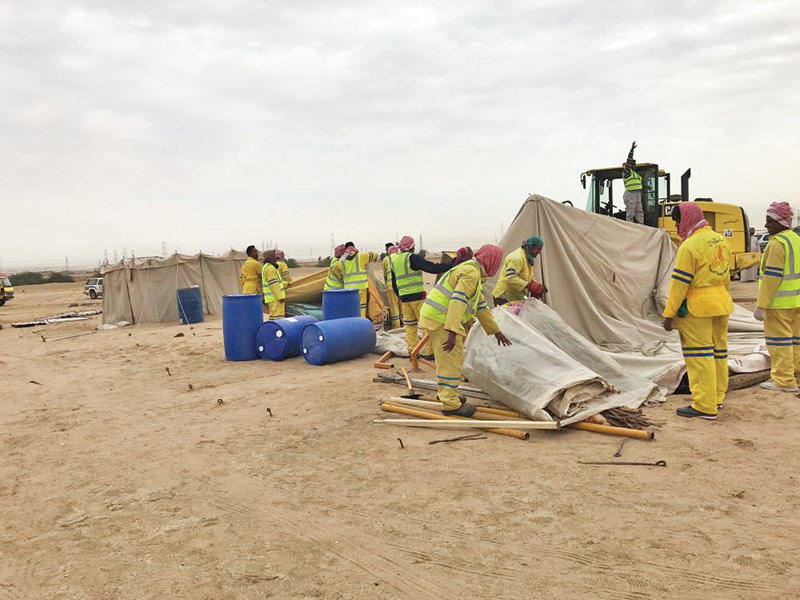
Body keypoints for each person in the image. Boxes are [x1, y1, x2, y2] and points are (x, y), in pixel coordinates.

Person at [419, 244, 513, 416]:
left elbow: (481, 306)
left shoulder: (474, 272)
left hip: (435, 317)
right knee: (451, 361)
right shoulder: (471, 273)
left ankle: (447, 394)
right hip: (442, 320)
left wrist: (495, 331)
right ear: (491, 260)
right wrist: (453, 331)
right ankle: (451, 404)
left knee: (444, 360)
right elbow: (458, 301)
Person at [662, 202, 733, 420]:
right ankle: (717, 397)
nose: (675, 226)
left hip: (697, 309)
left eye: (677, 221)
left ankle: (704, 405)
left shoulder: (690, 246)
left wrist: (669, 313)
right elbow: (726, 277)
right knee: (718, 353)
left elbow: (679, 284)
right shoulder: (720, 240)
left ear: (687, 220)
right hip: (721, 304)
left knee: (699, 357)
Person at [753, 202, 800, 392]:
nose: (766, 225)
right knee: (795, 340)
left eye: (770, 221)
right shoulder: (795, 239)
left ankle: (783, 380)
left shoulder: (777, 244)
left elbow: (771, 277)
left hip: (778, 303)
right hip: (796, 301)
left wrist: (761, 305)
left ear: (781, 221)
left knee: (779, 342)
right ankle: (795, 372)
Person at [389, 235, 451, 356]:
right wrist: (450, 265)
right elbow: (432, 268)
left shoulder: (395, 260)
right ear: (412, 247)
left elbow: (394, 282)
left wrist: (401, 295)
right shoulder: (412, 258)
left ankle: (412, 352)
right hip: (417, 297)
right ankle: (428, 352)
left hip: (404, 299)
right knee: (425, 325)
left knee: (410, 327)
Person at [493, 236, 546, 305]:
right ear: (532, 247)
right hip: (503, 297)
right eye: (538, 249)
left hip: (515, 297)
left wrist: (537, 286)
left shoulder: (528, 258)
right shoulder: (517, 258)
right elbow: (510, 278)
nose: (539, 252)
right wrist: (529, 286)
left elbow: (529, 276)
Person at [340, 242, 379, 317]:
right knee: (362, 307)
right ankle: (361, 323)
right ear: (354, 247)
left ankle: (353, 324)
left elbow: (339, 270)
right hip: (361, 286)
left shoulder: (342, 259)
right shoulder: (361, 256)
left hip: (348, 288)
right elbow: (375, 254)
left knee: (351, 307)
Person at [622, 141, 643, 224]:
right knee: (630, 213)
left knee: (639, 211)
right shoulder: (627, 172)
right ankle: (630, 226)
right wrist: (632, 150)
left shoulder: (636, 175)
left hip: (637, 193)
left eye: (635, 164)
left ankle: (642, 227)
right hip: (631, 193)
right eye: (632, 164)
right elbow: (629, 159)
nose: (634, 165)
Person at [261, 250, 286, 319]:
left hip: (271, 299)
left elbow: (276, 282)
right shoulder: (270, 268)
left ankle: (271, 329)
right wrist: (280, 297)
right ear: (270, 257)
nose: (276, 258)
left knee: (273, 317)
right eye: (274, 256)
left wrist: (285, 283)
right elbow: (273, 284)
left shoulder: (266, 267)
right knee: (278, 318)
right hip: (275, 299)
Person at [382, 243, 402, 330]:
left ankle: (396, 327)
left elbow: (385, 275)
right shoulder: (401, 257)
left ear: (388, 252)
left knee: (394, 309)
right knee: (402, 307)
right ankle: (404, 324)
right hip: (402, 286)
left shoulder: (386, 259)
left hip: (391, 287)